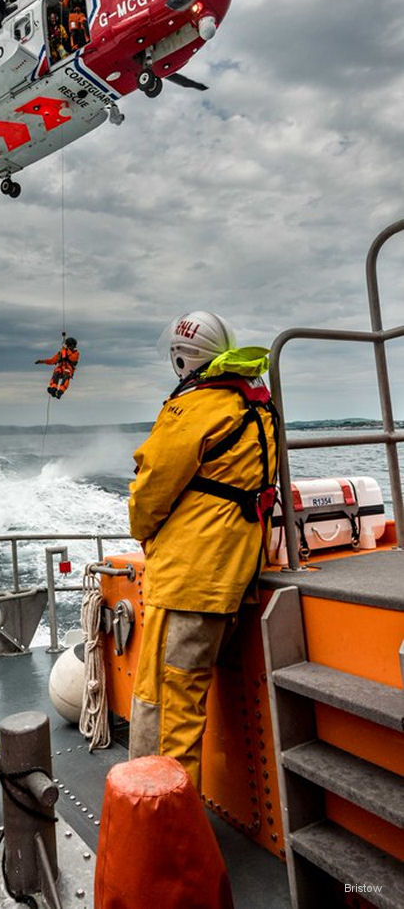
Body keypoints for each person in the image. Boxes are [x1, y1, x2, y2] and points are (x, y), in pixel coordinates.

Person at [128, 312, 279, 788]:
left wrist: (141, 530)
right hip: (231, 574)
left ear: (182, 358)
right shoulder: (255, 405)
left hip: (188, 581)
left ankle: (164, 836)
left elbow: (150, 491)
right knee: (182, 705)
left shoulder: (195, 408)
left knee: (168, 716)